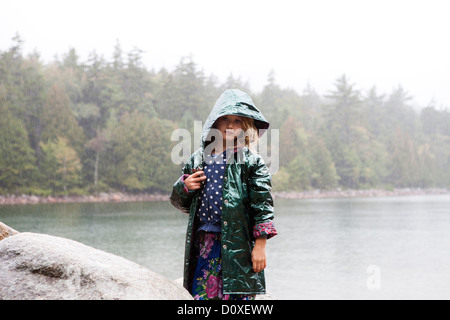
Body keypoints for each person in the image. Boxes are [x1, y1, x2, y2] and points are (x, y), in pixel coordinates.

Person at [170, 89, 277, 300]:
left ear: (246, 125)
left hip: (238, 246)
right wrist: (185, 186)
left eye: (237, 121)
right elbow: (181, 204)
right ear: (215, 122)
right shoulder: (198, 159)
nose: (230, 125)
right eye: (225, 119)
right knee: (200, 297)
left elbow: (262, 207)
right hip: (203, 244)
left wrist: (260, 246)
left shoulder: (252, 162)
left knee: (236, 297)